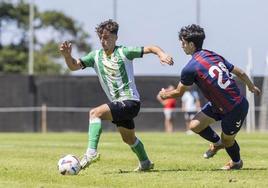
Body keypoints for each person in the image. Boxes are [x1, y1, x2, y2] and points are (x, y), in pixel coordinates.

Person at [59, 19, 173, 172]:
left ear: (115, 38)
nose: (103, 40)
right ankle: (145, 163)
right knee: (128, 138)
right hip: (120, 104)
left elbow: (151, 48)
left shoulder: (124, 52)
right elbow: (73, 66)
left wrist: (161, 54)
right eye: (101, 37)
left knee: (95, 113)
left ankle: (91, 153)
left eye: (106, 37)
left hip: (130, 101)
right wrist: (67, 56)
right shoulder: (95, 56)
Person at [159, 24, 261, 170]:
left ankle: (237, 163)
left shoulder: (190, 68)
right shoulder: (212, 55)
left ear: (191, 44)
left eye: (183, 42)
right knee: (194, 125)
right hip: (218, 104)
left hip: (235, 107)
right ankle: (217, 143)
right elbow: (240, 72)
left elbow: (178, 92)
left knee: (228, 141)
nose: (181, 46)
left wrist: (164, 95)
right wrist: (251, 86)